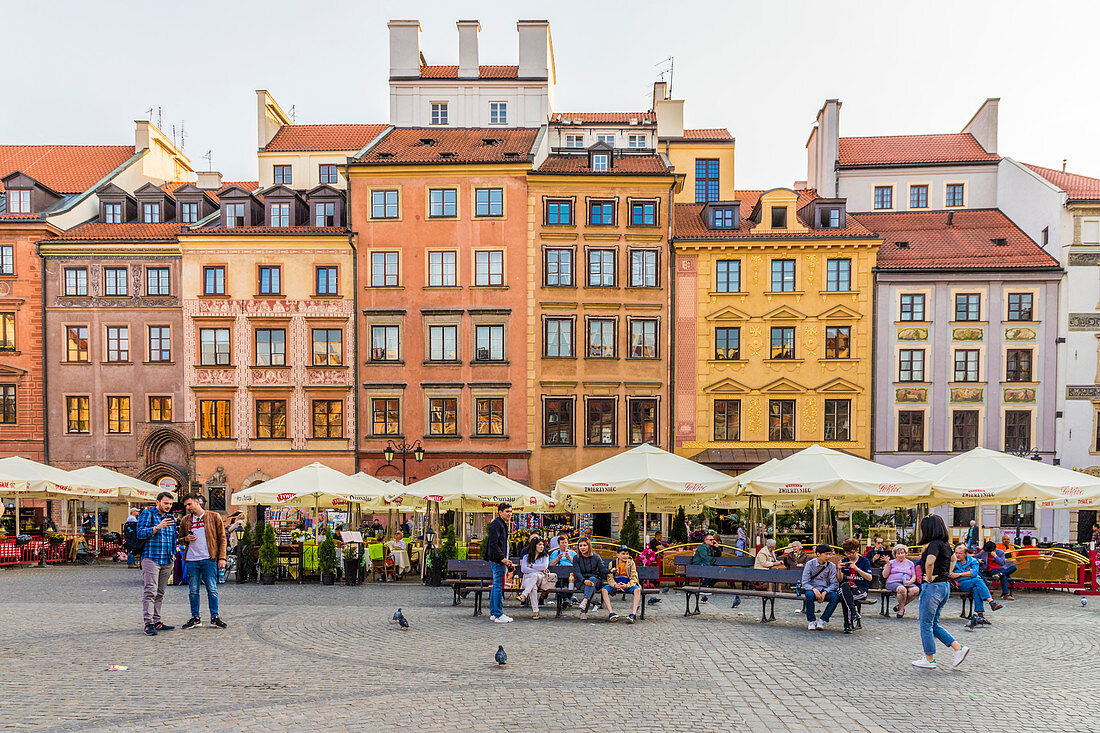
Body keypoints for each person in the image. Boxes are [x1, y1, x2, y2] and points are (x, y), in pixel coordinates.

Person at [913, 515, 969, 669]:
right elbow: (953, 560)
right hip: (944, 586)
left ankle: (929, 659)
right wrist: (947, 573)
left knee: (925, 624)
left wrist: (929, 578)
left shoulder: (934, 545)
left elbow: (930, 562)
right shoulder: (946, 544)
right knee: (933, 623)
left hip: (933, 587)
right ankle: (958, 648)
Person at [178, 494, 227, 630]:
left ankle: (214, 617)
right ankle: (196, 618)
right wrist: (186, 538)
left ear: (197, 503)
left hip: (209, 558)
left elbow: (222, 538)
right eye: (186, 506)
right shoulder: (185, 520)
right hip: (192, 559)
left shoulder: (213, 516)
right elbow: (180, 539)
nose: (187, 508)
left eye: (189, 504)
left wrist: (222, 557)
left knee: (212, 589)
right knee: (193, 590)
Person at [136, 492, 178, 636]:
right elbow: (140, 533)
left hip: (166, 559)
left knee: (160, 592)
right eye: (166, 503)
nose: (168, 506)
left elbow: (173, 537)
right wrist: (158, 527)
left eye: (170, 504)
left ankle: (157, 621)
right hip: (151, 558)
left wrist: (173, 554)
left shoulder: (171, 518)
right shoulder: (148, 514)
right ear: (158, 502)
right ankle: (148, 624)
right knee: (150, 591)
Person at [950, 542, 1001, 630]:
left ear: (966, 554)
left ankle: (980, 615)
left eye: (959, 553)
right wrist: (964, 575)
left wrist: (959, 574)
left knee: (977, 588)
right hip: (962, 583)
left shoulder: (972, 560)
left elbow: (974, 573)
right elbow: (951, 574)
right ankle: (991, 601)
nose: (957, 555)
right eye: (956, 553)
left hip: (972, 581)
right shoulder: (953, 561)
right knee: (978, 580)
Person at [484, 503, 514, 623]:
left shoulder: (501, 524)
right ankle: (498, 614)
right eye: (507, 511)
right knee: (498, 586)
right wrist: (502, 558)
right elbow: (493, 543)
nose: (509, 514)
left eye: (511, 511)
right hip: (497, 560)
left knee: (496, 585)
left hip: (498, 559)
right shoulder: (497, 524)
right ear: (500, 512)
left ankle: (493, 612)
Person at [837, 539, 873, 634]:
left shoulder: (864, 561)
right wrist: (839, 569)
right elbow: (840, 579)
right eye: (847, 553)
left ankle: (848, 624)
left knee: (844, 596)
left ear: (857, 550)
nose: (849, 555)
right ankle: (854, 613)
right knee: (845, 586)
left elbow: (869, 578)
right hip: (847, 589)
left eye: (851, 553)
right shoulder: (844, 561)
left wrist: (856, 569)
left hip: (860, 589)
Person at [801, 544, 840, 630]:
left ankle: (822, 620)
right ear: (818, 554)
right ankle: (811, 621)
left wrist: (825, 592)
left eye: (830, 554)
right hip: (812, 588)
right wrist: (814, 589)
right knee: (809, 595)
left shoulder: (831, 566)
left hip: (825, 589)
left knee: (835, 597)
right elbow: (805, 582)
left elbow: (834, 583)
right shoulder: (810, 564)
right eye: (826, 554)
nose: (828, 556)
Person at [602, 546, 642, 623]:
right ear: (618, 555)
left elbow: (634, 577)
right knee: (604, 590)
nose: (625, 556)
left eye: (627, 554)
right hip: (616, 583)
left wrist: (627, 585)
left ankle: (633, 614)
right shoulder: (612, 563)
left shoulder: (631, 563)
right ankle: (611, 613)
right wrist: (615, 585)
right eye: (623, 554)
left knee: (637, 590)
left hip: (627, 583)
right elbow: (609, 577)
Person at [518, 537, 552, 619]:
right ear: (534, 546)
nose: (542, 546)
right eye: (539, 544)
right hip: (528, 581)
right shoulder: (526, 557)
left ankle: (524, 595)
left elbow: (544, 566)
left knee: (534, 576)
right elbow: (523, 569)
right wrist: (539, 571)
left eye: (543, 545)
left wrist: (532, 566)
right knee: (533, 587)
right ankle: (535, 611)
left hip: (540, 580)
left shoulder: (545, 556)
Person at [883, 544, 920, 618]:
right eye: (898, 553)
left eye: (902, 553)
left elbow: (914, 576)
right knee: (901, 589)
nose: (900, 555)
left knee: (916, 590)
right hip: (893, 582)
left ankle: (899, 606)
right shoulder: (891, 562)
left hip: (906, 582)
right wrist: (887, 564)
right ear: (895, 555)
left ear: (905, 553)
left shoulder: (910, 563)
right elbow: (885, 575)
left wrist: (910, 582)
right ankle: (901, 610)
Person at [573, 537, 605, 620]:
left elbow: (602, 570)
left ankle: (584, 603)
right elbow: (577, 572)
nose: (582, 548)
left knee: (592, 580)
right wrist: (584, 580)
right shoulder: (576, 558)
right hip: (581, 581)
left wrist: (611, 570)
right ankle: (583, 610)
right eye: (580, 546)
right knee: (591, 588)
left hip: (595, 580)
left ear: (589, 546)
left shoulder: (596, 557)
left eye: (584, 545)